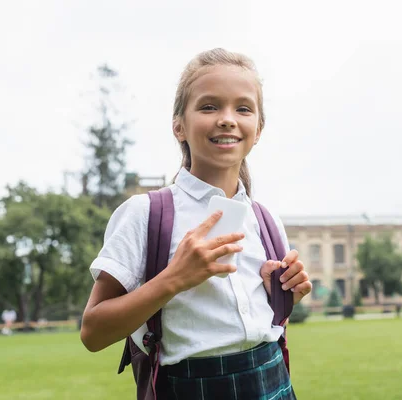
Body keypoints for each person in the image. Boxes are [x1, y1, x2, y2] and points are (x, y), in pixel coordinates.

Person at [80, 48, 312, 399]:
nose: (227, 119)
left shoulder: (266, 220)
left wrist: (282, 296)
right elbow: (93, 333)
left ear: (258, 129)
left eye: (243, 108)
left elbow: (270, 326)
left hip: (273, 382)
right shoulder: (145, 214)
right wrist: (175, 278)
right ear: (179, 126)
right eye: (209, 106)